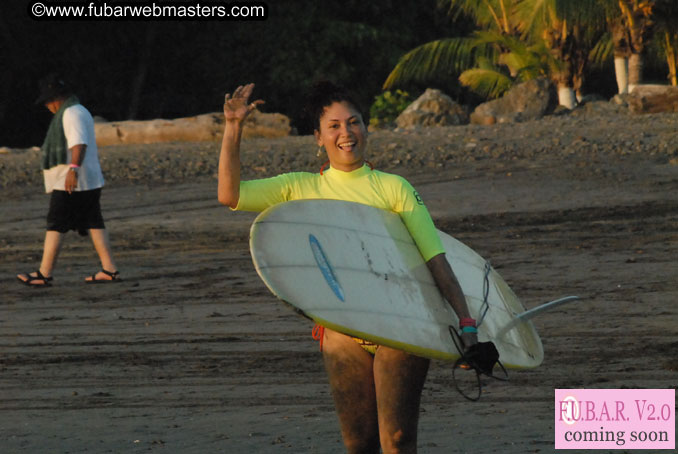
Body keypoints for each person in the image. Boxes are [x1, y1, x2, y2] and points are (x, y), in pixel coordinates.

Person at [218, 82, 478, 453]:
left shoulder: (394, 188)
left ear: (366, 128)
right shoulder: (301, 188)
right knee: (359, 444)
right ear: (318, 138)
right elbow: (230, 194)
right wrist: (233, 127)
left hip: (400, 326)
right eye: (334, 126)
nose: (346, 133)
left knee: (399, 440)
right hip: (343, 329)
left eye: (353, 122)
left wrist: (467, 326)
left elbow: (435, 259)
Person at [17, 73, 120, 287]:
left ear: (56, 98)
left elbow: (78, 144)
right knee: (93, 221)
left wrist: (73, 170)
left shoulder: (72, 113)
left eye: (47, 101)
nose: (47, 106)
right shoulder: (77, 110)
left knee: (56, 222)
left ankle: (44, 274)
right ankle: (109, 270)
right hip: (87, 179)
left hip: (73, 180)